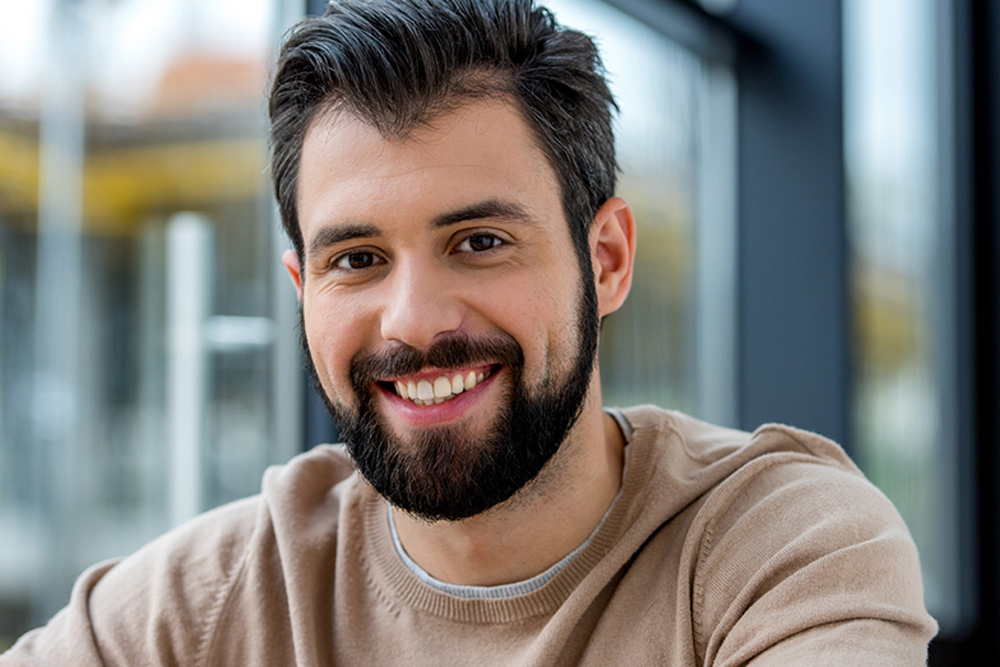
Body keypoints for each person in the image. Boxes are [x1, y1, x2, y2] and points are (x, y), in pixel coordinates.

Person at [3, 0, 937, 664]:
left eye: (480, 241)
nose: (413, 320)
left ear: (607, 259)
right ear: (302, 290)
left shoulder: (779, 547)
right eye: (357, 259)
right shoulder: (222, 594)